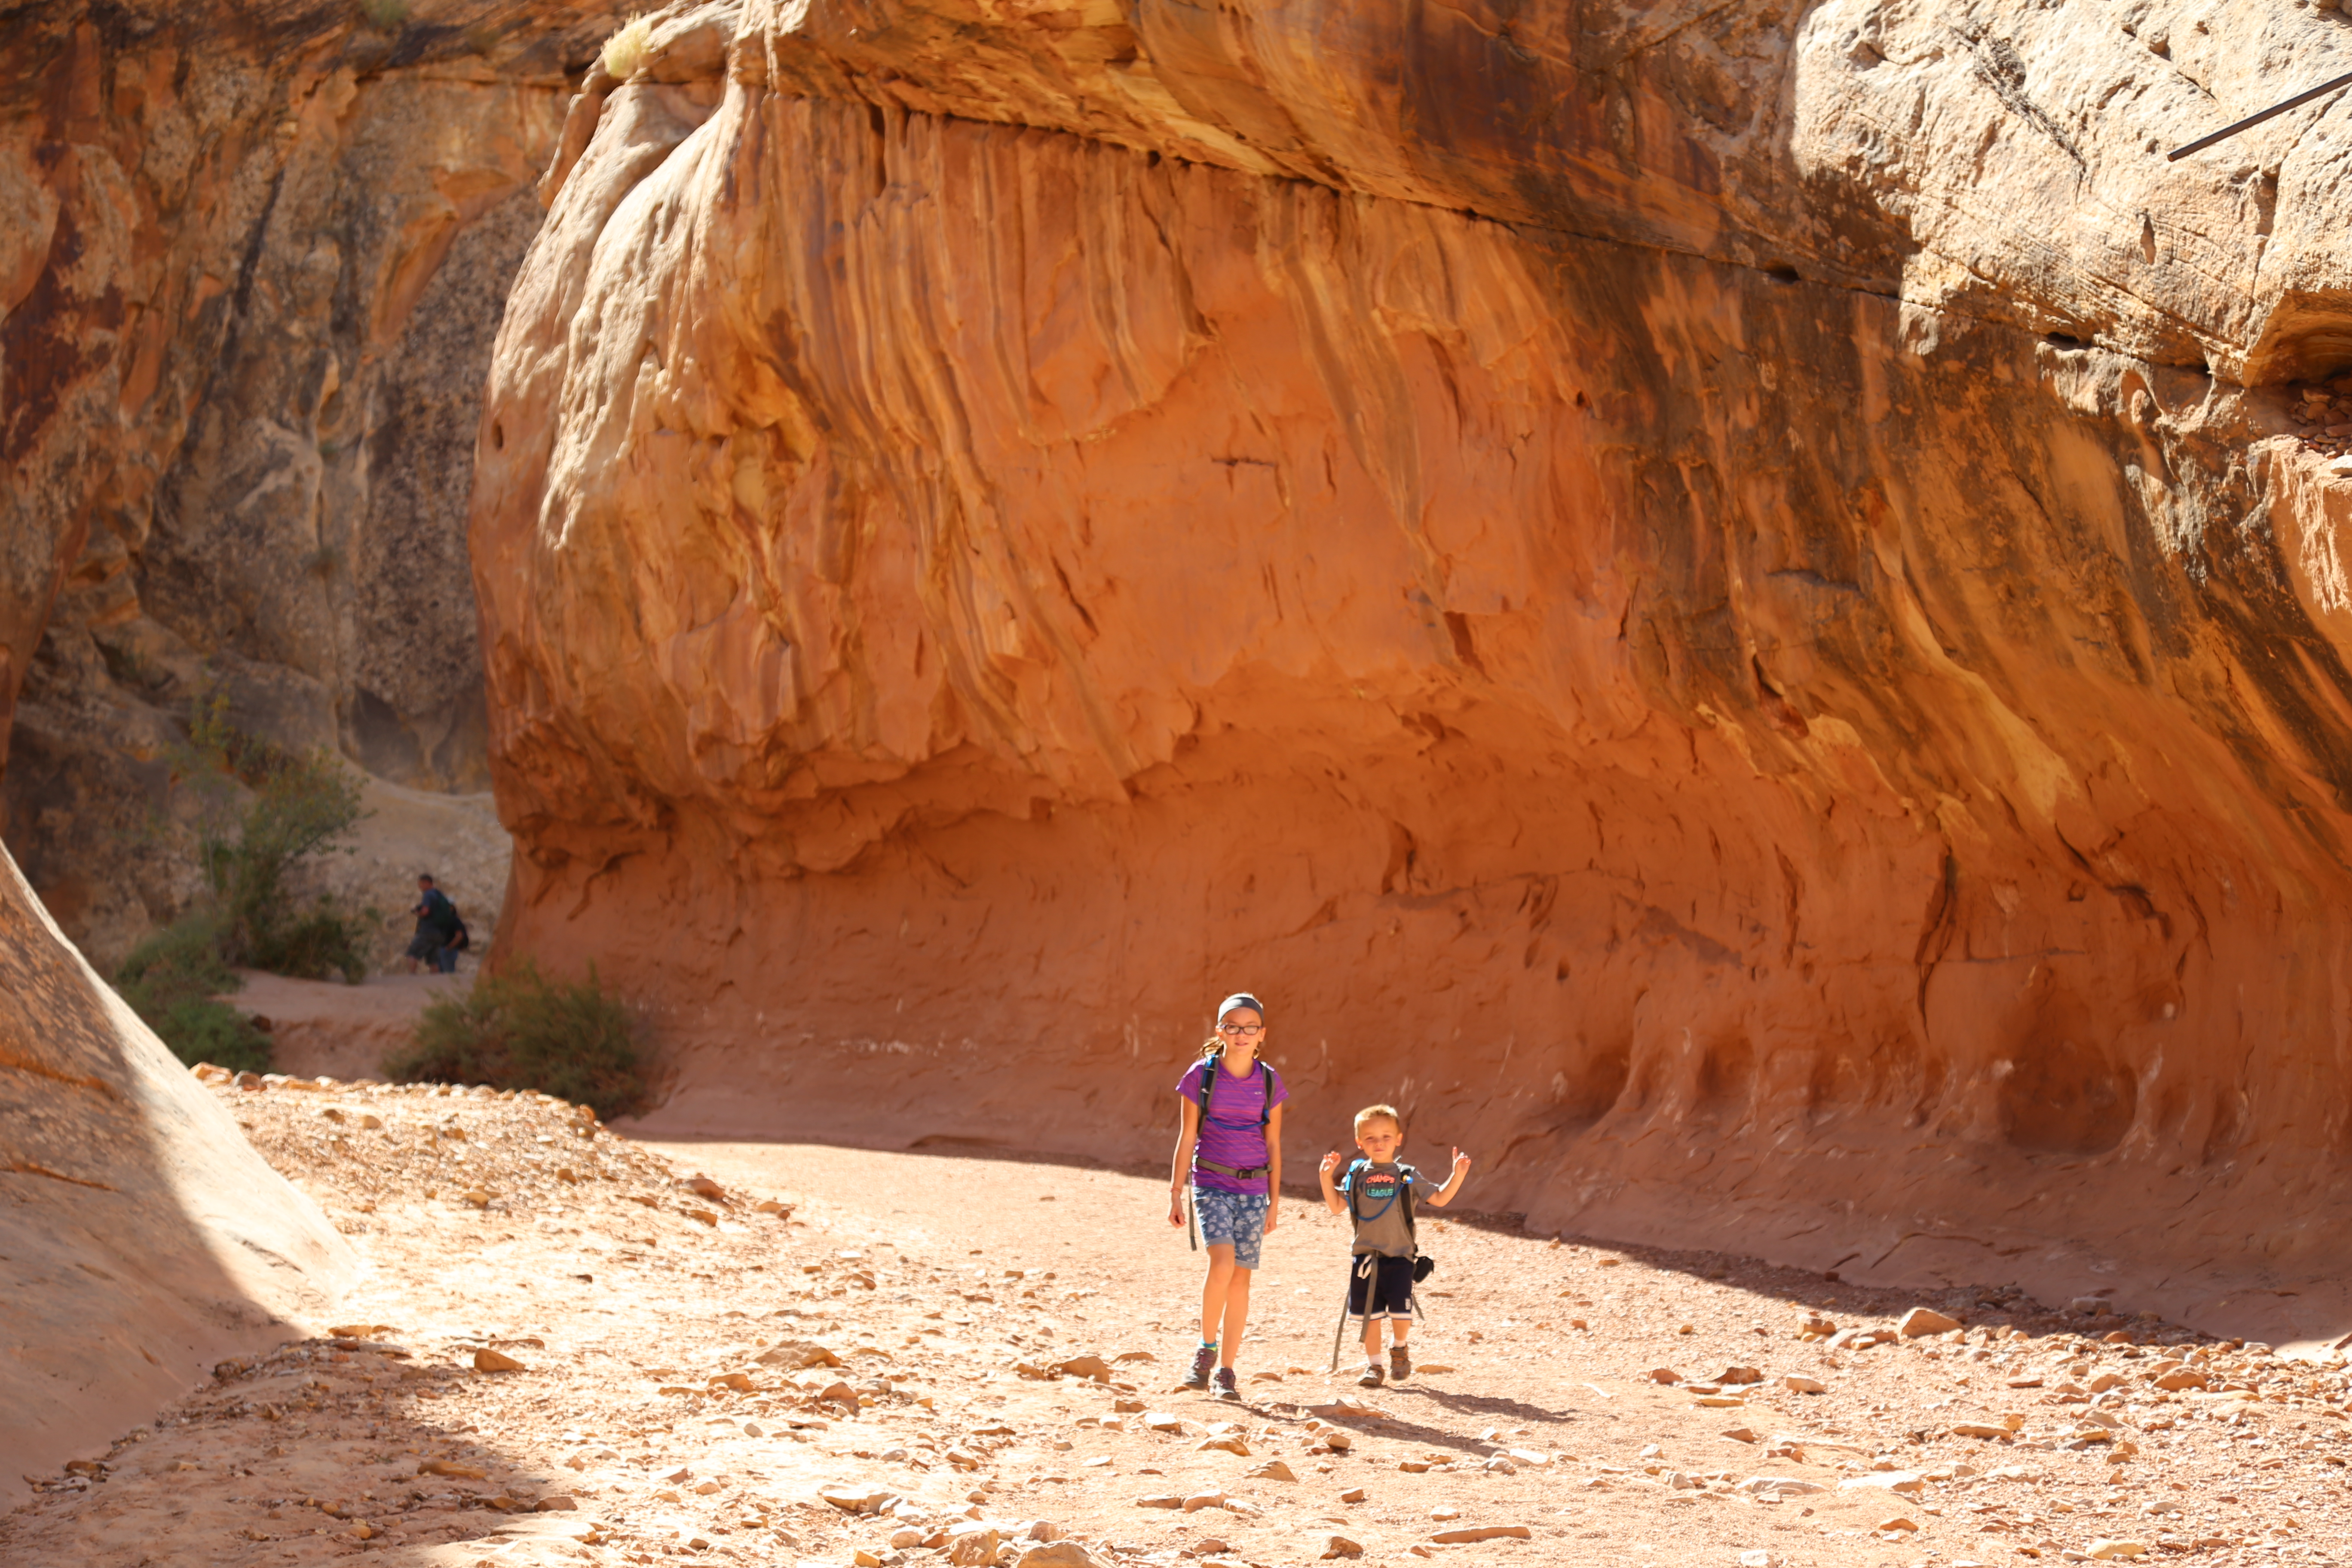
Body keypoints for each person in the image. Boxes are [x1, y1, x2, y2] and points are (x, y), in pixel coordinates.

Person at [1167, 992, 1287, 1400]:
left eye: (1249, 1027)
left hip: (1254, 1189)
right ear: (1219, 1030)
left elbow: (1273, 1146)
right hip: (1212, 1183)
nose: (1241, 1034)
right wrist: (1175, 1192)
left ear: (1262, 1034)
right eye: (1232, 1026)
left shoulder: (1269, 1081)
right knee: (1222, 1263)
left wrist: (1274, 1202)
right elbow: (1188, 1137)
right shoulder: (1202, 1075)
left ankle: (1227, 1372)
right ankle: (1207, 1348)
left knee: (1240, 1281)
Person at [1318, 1103, 1473, 1387]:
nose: (1379, 1143)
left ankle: (1399, 1347)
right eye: (1371, 1138)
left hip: (1400, 1257)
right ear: (1359, 1142)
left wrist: (1458, 1175)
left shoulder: (1407, 1174)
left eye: (1387, 1137)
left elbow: (1439, 1199)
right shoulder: (1355, 1175)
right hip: (1365, 1258)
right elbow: (1337, 1206)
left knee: (1401, 1314)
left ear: (1399, 1138)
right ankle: (1374, 1367)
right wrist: (1325, 1178)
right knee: (1371, 1318)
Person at [404, 873, 465, 975]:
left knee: (411, 954)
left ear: (426, 883)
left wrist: (417, 912)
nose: (420, 888)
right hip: (440, 933)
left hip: (427, 931)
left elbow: (426, 911)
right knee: (433, 961)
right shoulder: (439, 894)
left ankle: (412, 977)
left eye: (421, 885)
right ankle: (435, 982)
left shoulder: (428, 895)